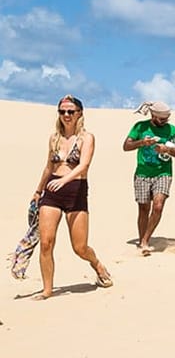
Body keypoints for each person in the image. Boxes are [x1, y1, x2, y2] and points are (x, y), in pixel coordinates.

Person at [30, 95, 113, 299]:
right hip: (52, 191)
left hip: (75, 190)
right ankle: (48, 289)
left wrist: (65, 180)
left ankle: (97, 265)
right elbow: (49, 166)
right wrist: (38, 190)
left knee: (80, 247)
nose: (66, 115)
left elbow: (84, 165)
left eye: (70, 111)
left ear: (79, 113)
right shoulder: (54, 138)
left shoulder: (87, 138)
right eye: (62, 111)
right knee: (46, 242)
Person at [123, 101, 175, 255]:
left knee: (158, 206)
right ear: (153, 116)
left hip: (163, 172)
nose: (165, 122)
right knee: (144, 208)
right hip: (143, 172)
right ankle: (141, 239)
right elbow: (126, 146)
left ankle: (145, 240)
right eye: (161, 119)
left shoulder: (173, 130)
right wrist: (142, 142)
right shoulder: (140, 127)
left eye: (166, 119)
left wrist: (167, 150)